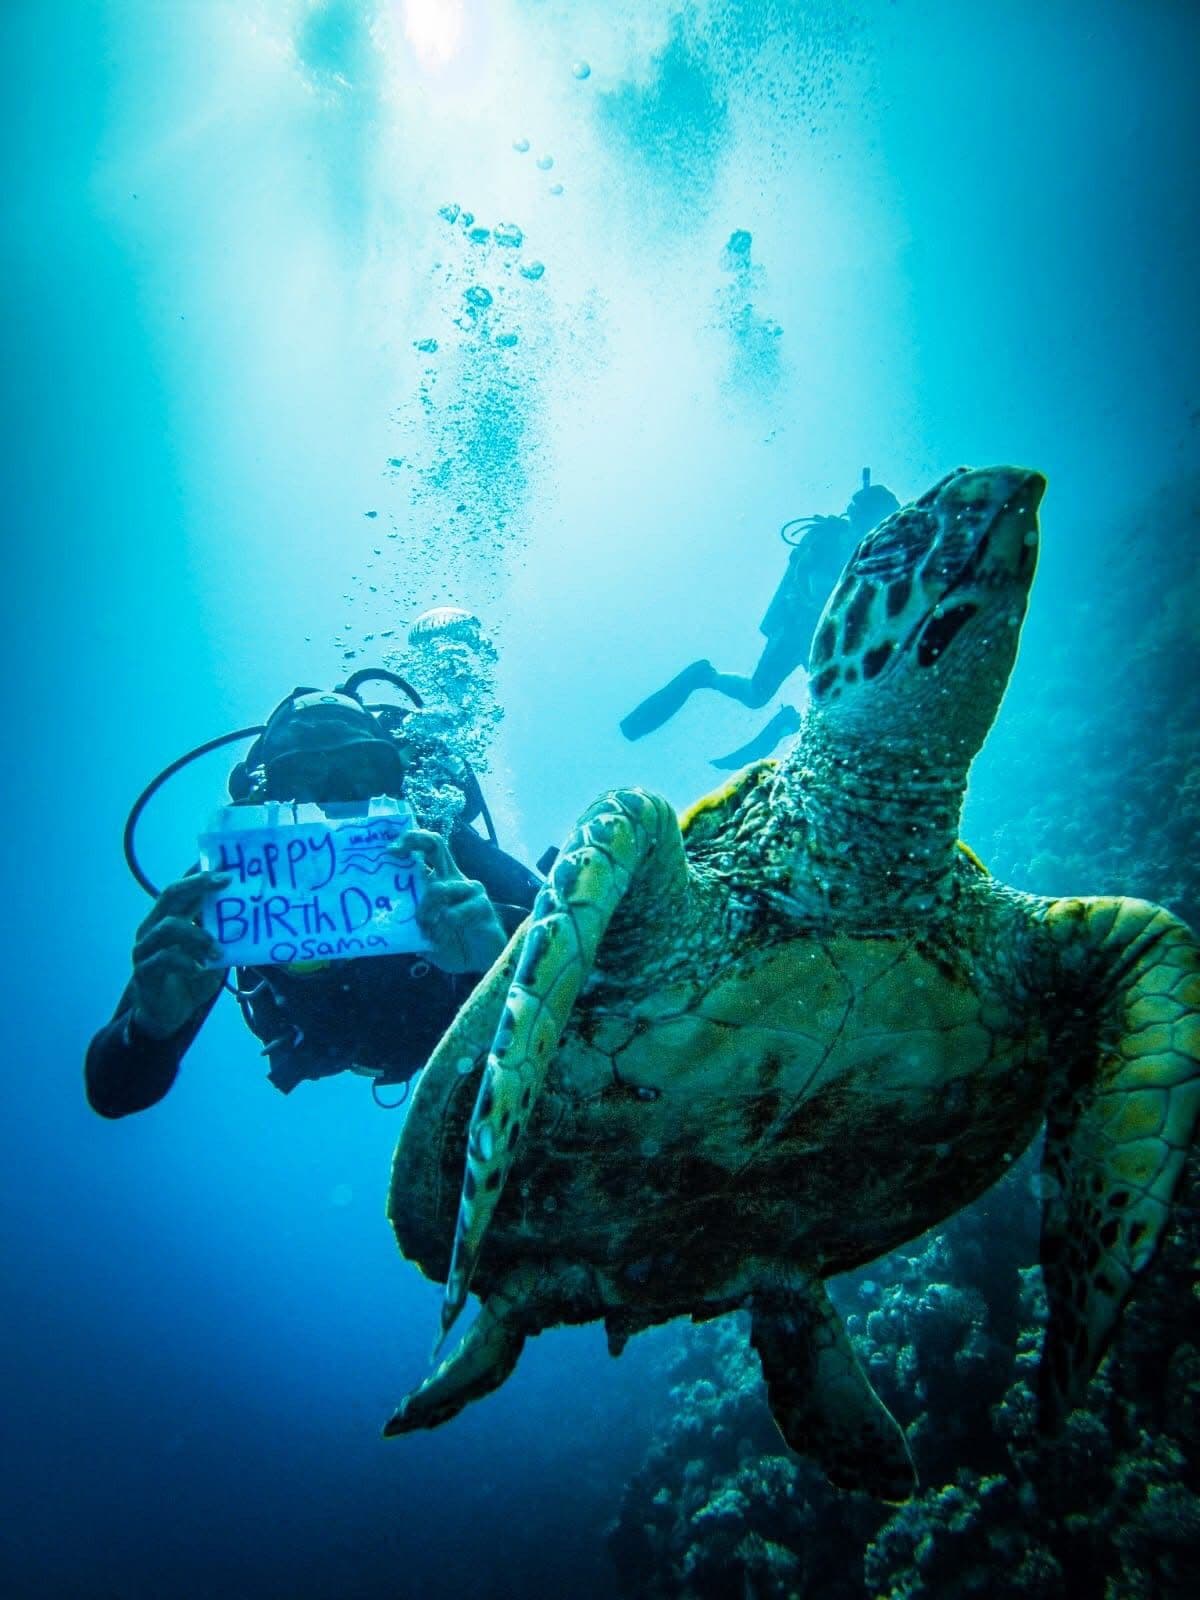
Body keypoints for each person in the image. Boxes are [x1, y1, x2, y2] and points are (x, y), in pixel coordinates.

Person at [85, 671, 541, 1118]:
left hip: (465, 1032)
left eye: (363, 768)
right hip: (331, 1041)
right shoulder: (237, 882)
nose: (337, 793)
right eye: (306, 774)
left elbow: (589, 953)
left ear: (395, 775)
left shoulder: (440, 846)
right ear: (270, 791)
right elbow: (115, 1094)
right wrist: (149, 1028)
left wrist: (501, 947)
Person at [621, 469, 901, 767]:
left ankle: (791, 726)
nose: (877, 533)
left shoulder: (867, 556)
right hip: (795, 631)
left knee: (838, 699)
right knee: (756, 696)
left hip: (825, 640)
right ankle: (704, 677)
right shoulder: (825, 538)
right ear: (861, 515)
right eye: (875, 522)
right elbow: (812, 583)